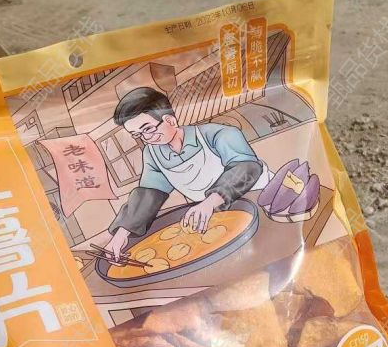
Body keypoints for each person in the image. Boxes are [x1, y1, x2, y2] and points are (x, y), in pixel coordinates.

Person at [105, 87, 270, 261]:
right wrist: (122, 233)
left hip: (261, 201)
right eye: (137, 135)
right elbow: (149, 193)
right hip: (214, 214)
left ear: (170, 120)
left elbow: (246, 167)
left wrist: (209, 202)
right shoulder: (152, 154)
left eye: (148, 129)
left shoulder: (218, 134)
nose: (146, 139)